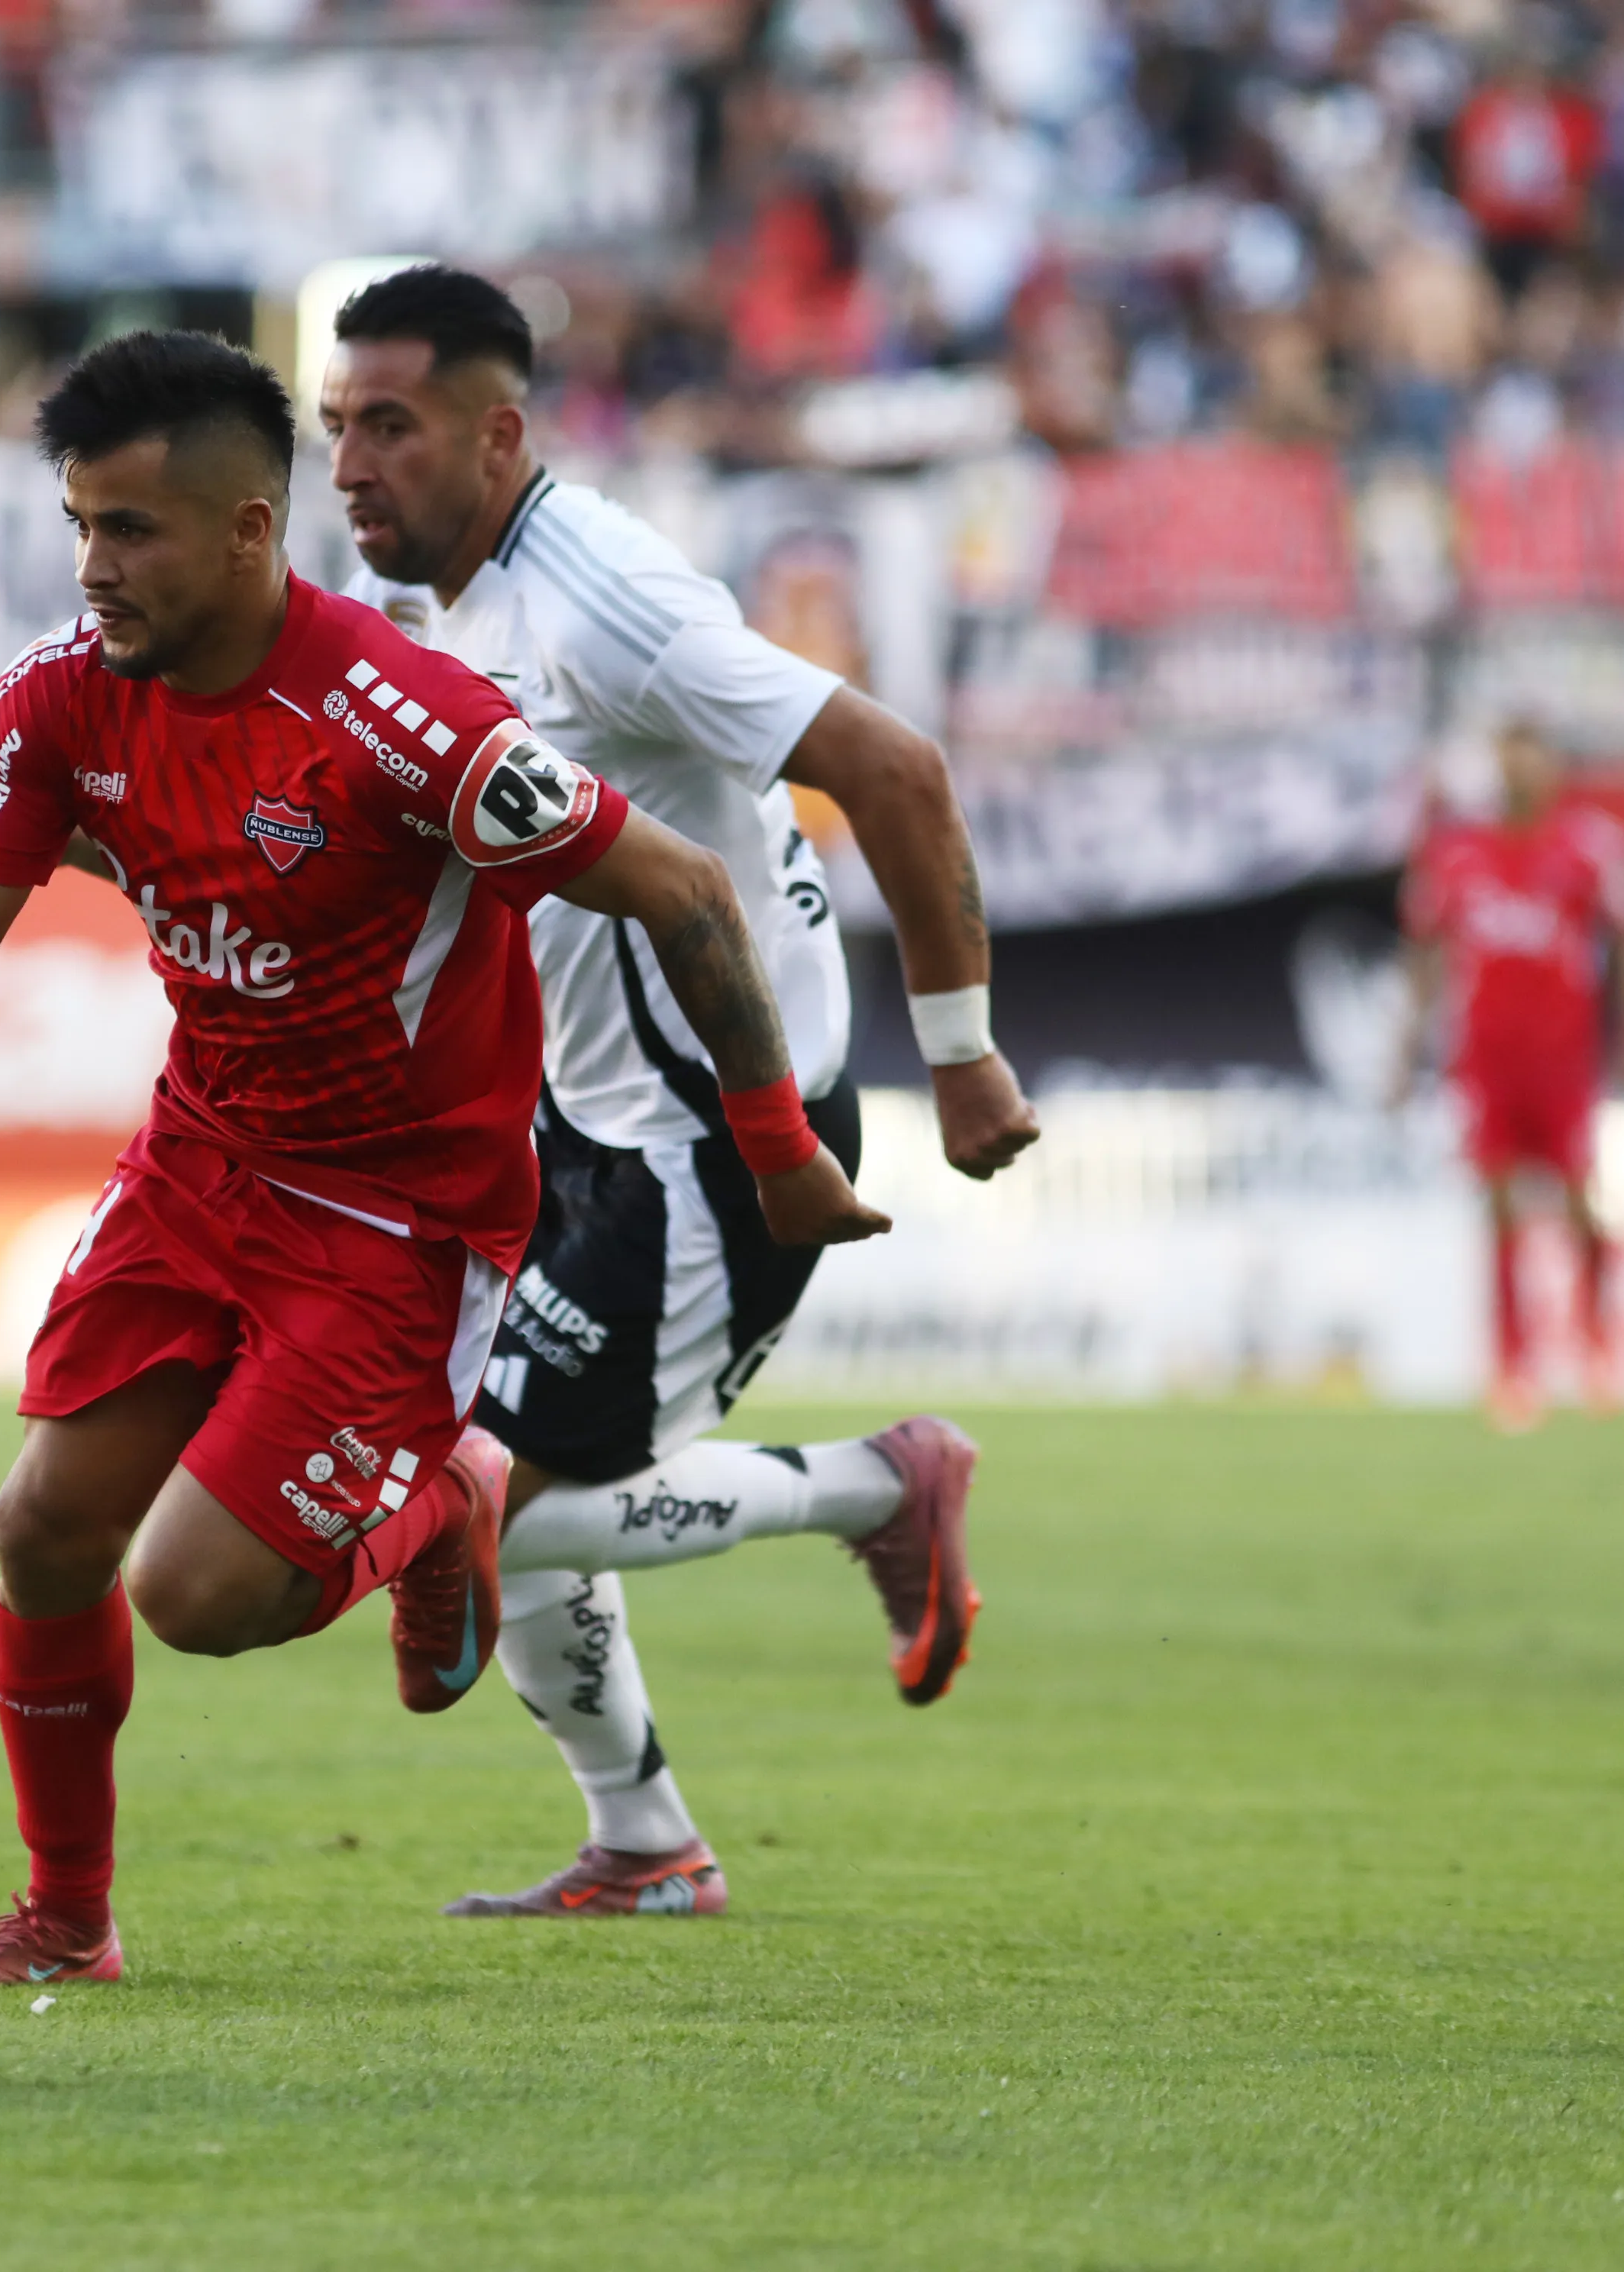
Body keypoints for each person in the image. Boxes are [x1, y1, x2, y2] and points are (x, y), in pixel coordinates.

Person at [0, 329, 879, 1985]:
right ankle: (66, 1917)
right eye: (80, 527)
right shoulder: (55, 698)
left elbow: (681, 886)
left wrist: (779, 1151)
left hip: (400, 1221)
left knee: (194, 1593)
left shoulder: (405, 722)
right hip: (201, 1166)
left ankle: (452, 1491)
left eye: (133, 532)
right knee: (40, 1526)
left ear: (250, 532)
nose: (95, 568)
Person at [321, 263, 1042, 1920]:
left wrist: (961, 1051)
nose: (353, 463)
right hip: (590, 1128)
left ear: (498, 435)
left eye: (392, 427)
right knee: (475, 1471)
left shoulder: (603, 597)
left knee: (479, 1496)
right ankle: (644, 1845)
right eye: (338, 426)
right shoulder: (470, 599)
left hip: (720, 1139)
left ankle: (881, 1481)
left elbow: (895, 768)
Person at [1398, 718, 1624, 1432]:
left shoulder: (1591, 846)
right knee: (1496, 1206)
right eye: (1507, 754)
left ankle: (1598, 1342)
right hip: (1485, 1060)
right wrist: (1405, 1047)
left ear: (1553, 765)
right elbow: (1426, 953)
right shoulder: (1455, 854)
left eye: (1532, 754)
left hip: (1563, 1057)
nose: (1519, 768)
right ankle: (1512, 1367)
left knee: (1580, 1200)